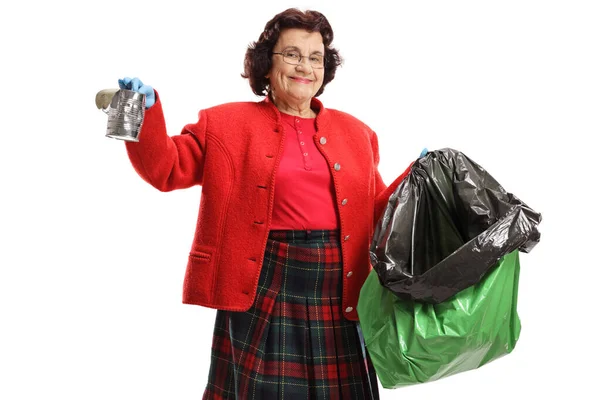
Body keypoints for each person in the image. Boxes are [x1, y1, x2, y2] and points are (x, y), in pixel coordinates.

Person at [116, 8, 424, 400]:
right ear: (266, 64)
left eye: (316, 58)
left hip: (339, 285)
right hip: (262, 284)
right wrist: (141, 111)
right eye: (292, 54)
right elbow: (165, 169)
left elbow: (377, 211)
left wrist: (416, 178)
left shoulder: (358, 132)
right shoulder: (223, 124)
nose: (305, 67)